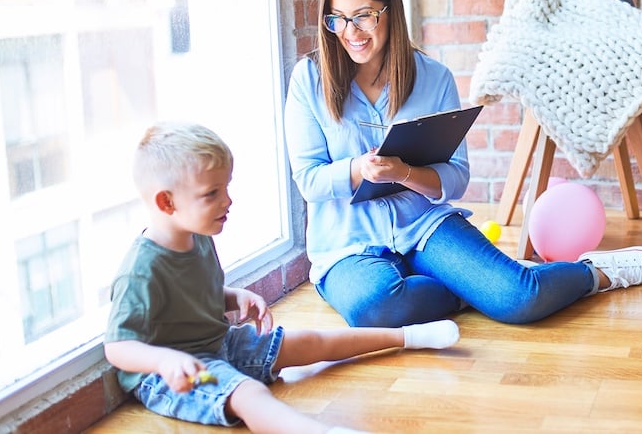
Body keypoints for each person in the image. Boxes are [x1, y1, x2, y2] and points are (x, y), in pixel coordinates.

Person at [283, 0, 642, 329]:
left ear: (390, 11)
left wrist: (404, 172)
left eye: (364, 17)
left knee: (519, 298)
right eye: (338, 19)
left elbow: (456, 178)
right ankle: (472, 290)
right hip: (348, 246)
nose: (351, 33)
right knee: (373, 307)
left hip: (423, 227)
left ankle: (600, 272)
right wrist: (358, 169)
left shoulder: (433, 78)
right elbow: (309, 180)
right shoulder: (309, 79)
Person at [104, 122, 460, 434]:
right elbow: (118, 347)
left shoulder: (197, 234)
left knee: (308, 342)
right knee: (248, 394)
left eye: (226, 187)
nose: (228, 200)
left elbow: (190, 293)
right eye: (211, 194)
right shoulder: (142, 267)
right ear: (167, 203)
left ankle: (408, 337)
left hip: (218, 342)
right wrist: (164, 362)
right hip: (178, 374)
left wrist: (233, 296)